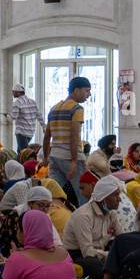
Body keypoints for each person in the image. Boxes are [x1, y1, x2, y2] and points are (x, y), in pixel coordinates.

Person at [43, 76, 92, 204]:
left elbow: (47, 135)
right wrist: (75, 161)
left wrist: (45, 157)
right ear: (76, 90)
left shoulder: (54, 108)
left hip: (55, 157)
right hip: (70, 158)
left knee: (53, 195)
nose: (89, 95)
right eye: (87, 91)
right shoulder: (77, 109)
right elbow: (74, 136)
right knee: (84, 195)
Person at [62, 176, 121, 279]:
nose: (119, 199)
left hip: (100, 253)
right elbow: (87, 251)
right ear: (104, 198)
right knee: (96, 267)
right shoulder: (84, 216)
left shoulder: (111, 214)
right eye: (115, 195)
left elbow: (122, 239)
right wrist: (110, 255)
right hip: (79, 255)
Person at [10, 83, 41, 152]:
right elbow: (39, 115)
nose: (12, 93)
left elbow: (13, 117)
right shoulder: (32, 102)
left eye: (13, 92)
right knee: (20, 152)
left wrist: (7, 116)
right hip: (30, 133)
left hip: (21, 132)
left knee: (25, 153)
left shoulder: (17, 103)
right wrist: (44, 126)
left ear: (18, 92)